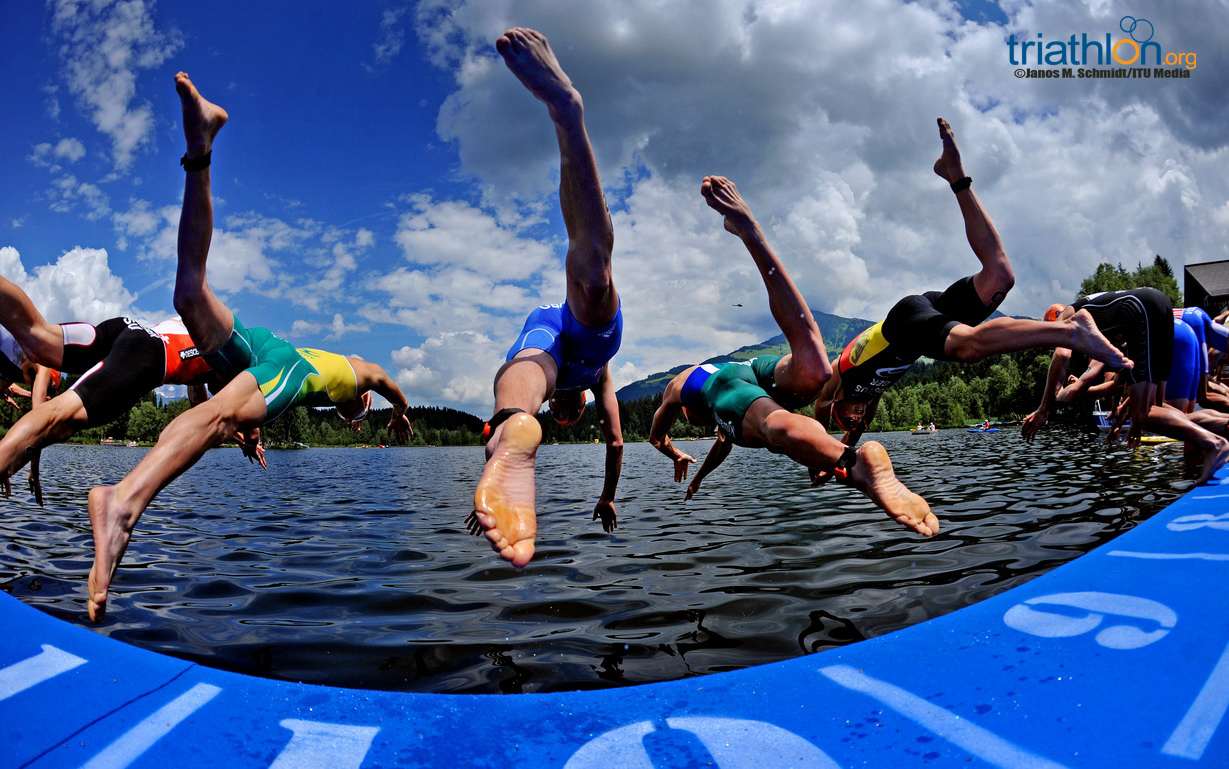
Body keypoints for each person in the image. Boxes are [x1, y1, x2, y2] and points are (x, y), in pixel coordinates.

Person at [81, 72, 413, 621]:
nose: (357, 414)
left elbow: (245, 389)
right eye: (360, 414)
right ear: (363, 403)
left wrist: (249, 427)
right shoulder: (352, 377)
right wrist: (400, 411)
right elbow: (385, 377)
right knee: (215, 415)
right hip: (283, 362)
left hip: (259, 345)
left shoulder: (325, 378)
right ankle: (123, 500)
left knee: (189, 293)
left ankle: (200, 151)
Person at [812, 118, 1131, 453]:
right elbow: (860, 417)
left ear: (835, 406)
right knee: (1000, 278)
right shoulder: (867, 397)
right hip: (925, 318)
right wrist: (849, 442)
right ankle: (956, 177)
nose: (857, 417)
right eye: (857, 420)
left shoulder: (837, 382)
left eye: (847, 418)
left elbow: (820, 413)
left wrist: (819, 453)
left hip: (904, 323)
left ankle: (1069, 331)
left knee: (968, 348)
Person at [650, 176, 938, 537]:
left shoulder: (680, 388)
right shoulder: (728, 402)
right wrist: (702, 478)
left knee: (769, 430)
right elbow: (721, 444)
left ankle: (852, 463)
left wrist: (674, 453)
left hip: (725, 383)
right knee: (814, 370)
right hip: (757, 370)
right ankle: (752, 233)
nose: (701, 426)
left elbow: (655, 437)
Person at [469, 28, 624, 568]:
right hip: (572, 336)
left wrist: (503, 445)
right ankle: (567, 111)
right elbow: (616, 440)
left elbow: (533, 373)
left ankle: (513, 429)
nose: (563, 411)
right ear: (576, 406)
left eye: (553, 417)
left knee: (524, 375)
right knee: (594, 273)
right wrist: (608, 492)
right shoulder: (597, 379)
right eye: (565, 415)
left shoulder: (555, 373)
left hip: (547, 350)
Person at [0, 316, 218, 502]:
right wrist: (33, 472)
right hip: (143, 346)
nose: (40, 388)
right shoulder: (42, 367)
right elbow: (40, 416)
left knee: (58, 422)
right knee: (58, 419)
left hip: (120, 329)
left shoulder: (24, 358)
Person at [1024, 288, 1229, 482]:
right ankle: (1224, 424)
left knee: (1144, 414)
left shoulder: (1066, 315)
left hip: (1144, 312)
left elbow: (1063, 356)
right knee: (1162, 411)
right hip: (1161, 309)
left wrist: (1044, 408)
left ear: (1052, 319)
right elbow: (1097, 375)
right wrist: (1077, 389)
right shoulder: (1099, 320)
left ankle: (1214, 444)